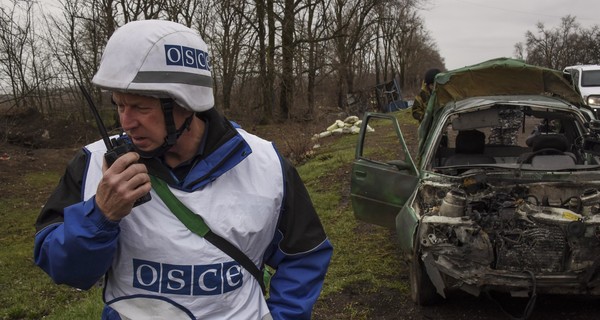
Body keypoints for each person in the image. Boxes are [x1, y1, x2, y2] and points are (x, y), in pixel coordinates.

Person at [33, 20, 333, 320]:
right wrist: (100, 216)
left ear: (187, 104)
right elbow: (63, 268)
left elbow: (304, 255)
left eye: (140, 108)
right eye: (119, 105)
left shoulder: (263, 164)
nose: (126, 122)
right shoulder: (93, 165)